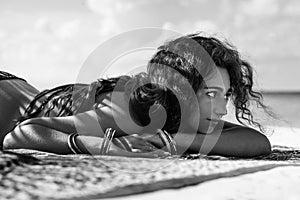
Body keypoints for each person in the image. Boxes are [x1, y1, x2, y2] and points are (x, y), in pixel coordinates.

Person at [2, 33, 272, 158]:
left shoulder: (182, 119)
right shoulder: (133, 111)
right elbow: (18, 136)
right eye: (211, 94)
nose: (223, 110)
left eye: (224, 96)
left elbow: (258, 142)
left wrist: (177, 139)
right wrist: (103, 146)